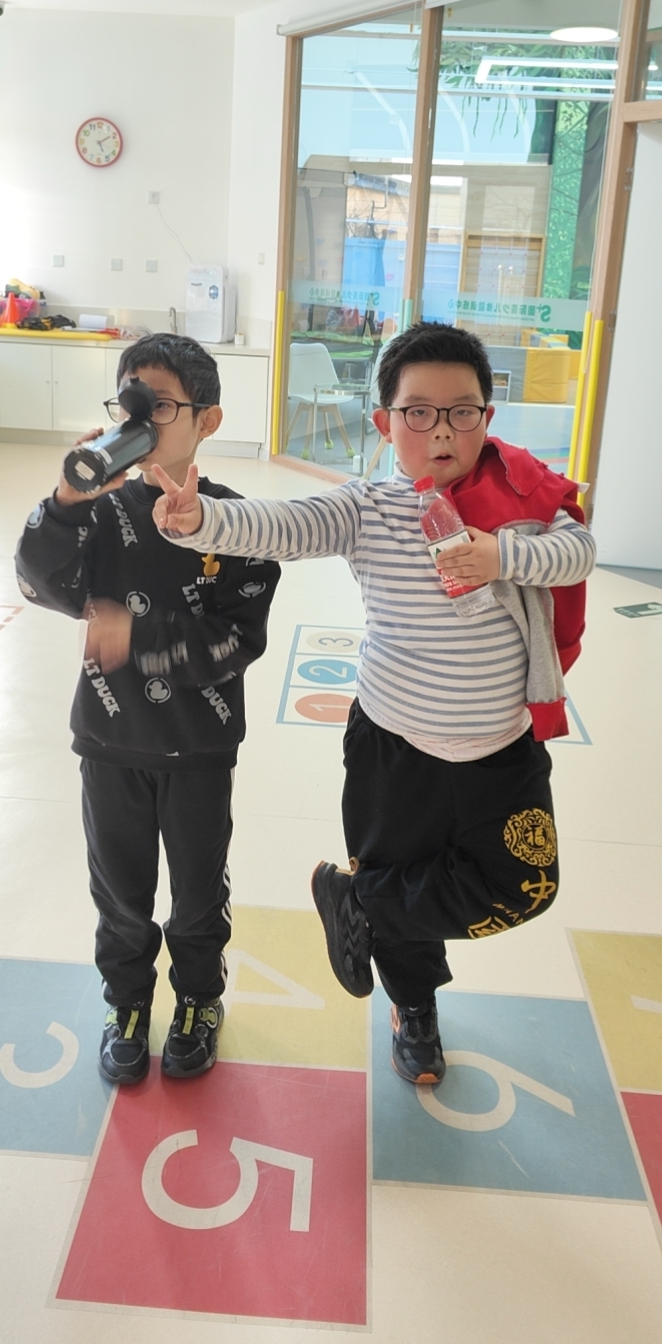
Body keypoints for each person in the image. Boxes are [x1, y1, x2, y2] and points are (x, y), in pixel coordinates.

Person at [150, 321, 595, 1088]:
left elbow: (576, 551)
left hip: (501, 748)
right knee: (406, 870)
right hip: (392, 748)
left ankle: (357, 900)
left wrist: (499, 553)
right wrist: (201, 522)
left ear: (486, 418)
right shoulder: (368, 508)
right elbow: (283, 526)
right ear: (385, 423)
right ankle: (413, 1007)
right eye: (417, 412)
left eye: (460, 411)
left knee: (526, 882)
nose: (440, 430)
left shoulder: (517, 497)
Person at [16, 334, 280, 1086]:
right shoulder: (102, 512)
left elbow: (235, 642)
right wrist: (65, 504)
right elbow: (40, 583)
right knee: (119, 894)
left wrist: (140, 636)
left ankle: (198, 998)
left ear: (208, 420)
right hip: (109, 742)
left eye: (158, 406)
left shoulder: (240, 525)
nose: (137, 422)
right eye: (128, 404)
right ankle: (127, 1002)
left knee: (197, 893)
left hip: (199, 749)